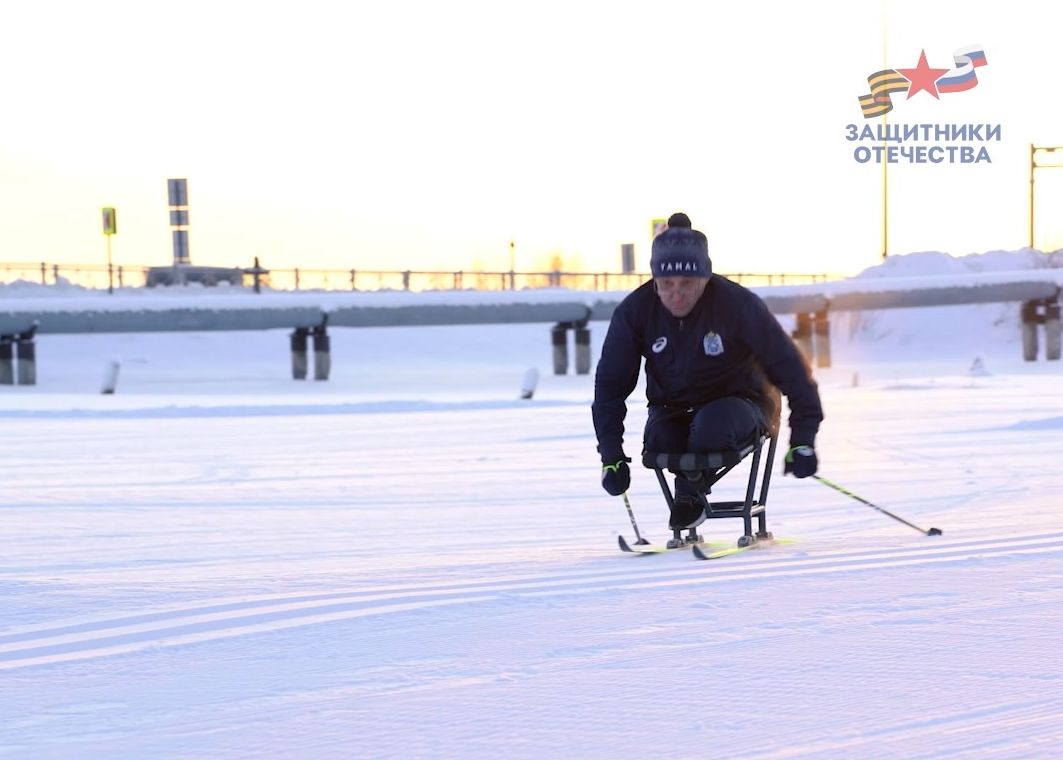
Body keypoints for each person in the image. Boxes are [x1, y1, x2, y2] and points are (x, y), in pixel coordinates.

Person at [592, 212, 824, 530]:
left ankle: (688, 495)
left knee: (711, 424)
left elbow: (792, 369)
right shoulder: (636, 312)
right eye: (666, 284)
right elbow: (610, 386)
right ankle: (689, 495)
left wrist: (803, 438)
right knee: (660, 438)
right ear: (654, 281)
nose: (676, 293)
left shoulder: (737, 305)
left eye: (687, 283)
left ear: (705, 277)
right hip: (673, 407)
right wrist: (611, 456)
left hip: (745, 402)